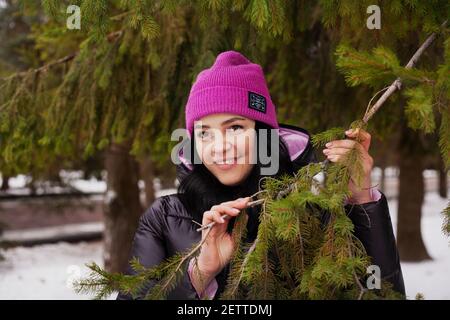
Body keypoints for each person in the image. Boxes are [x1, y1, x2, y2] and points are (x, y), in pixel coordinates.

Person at [117, 50, 405, 300]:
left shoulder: (312, 209)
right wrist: (201, 275)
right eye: (204, 133)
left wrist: (361, 199)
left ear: (264, 134)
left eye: (235, 128)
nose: (220, 147)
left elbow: (379, 291)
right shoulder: (164, 218)